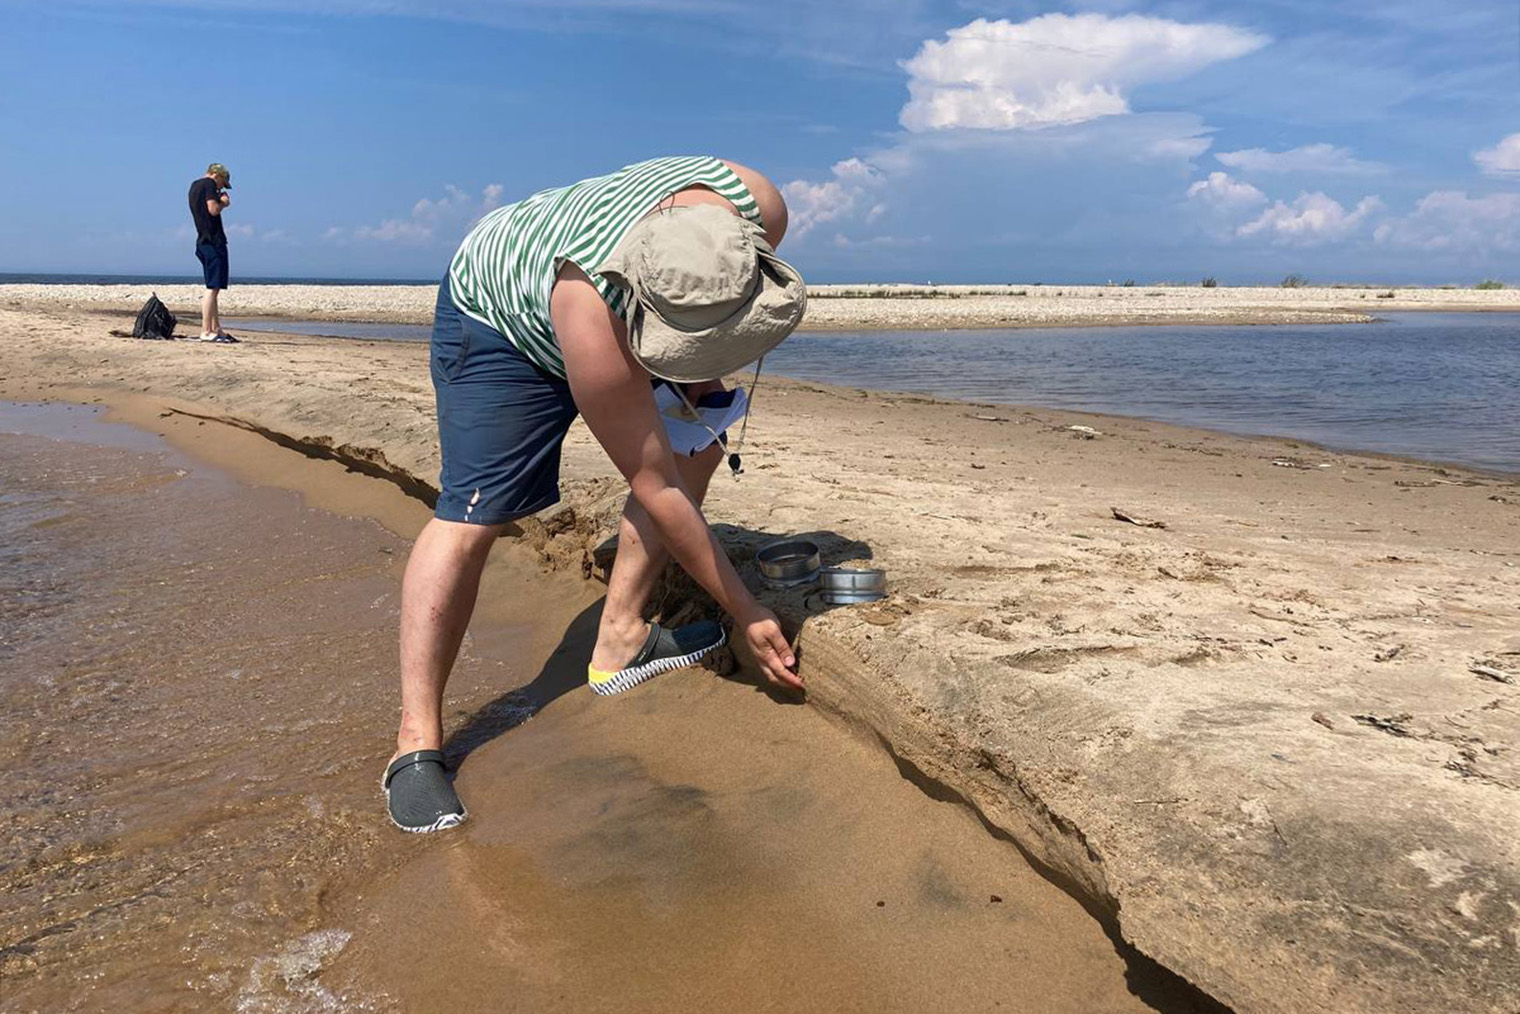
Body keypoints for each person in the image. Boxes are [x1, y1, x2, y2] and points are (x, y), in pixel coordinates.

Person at [384, 156, 808, 833]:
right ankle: (416, 745)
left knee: (703, 430)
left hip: (627, 296)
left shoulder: (758, 204)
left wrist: (701, 376)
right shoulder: (589, 308)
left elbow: (710, 319)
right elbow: (654, 484)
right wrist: (746, 607)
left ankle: (621, 638)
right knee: (472, 517)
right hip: (499, 315)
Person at [187, 163, 236, 342]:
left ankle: (216, 328)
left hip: (203, 240)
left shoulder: (194, 185)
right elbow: (213, 210)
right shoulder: (208, 184)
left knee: (213, 286)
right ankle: (206, 330)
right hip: (212, 242)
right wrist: (223, 202)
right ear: (217, 175)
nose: (222, 187)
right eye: (222, 183)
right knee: (212, 288)